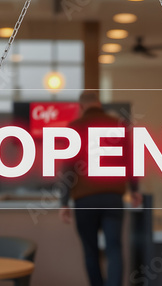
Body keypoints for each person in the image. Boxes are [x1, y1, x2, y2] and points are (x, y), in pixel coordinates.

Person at [59, 92, 142, 286]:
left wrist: (63, 203)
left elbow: (66, 170)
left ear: (81, 107)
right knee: (114, 248)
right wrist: (135, 189)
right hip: (112, 198)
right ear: (99, 104)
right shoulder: (119, 125)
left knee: (91, 250)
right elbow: (131, 161)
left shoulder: (74, 128)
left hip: (84, 200)